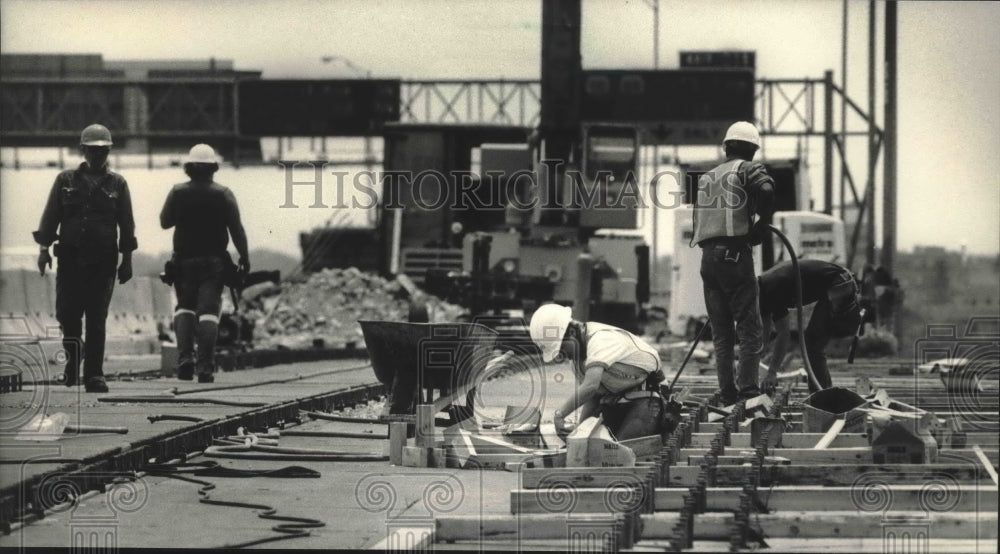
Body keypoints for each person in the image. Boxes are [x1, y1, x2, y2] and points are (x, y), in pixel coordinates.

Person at [33, 123, 137, 393]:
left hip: (103, 262)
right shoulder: (65, 181)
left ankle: (94, 375)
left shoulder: (118, 184)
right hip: (69, 258)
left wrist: (127, 260)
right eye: (92, 150)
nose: (97, 155)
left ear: (109, 151)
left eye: (102, 150)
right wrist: (43, 250)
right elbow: (50, 216)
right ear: (82, 150)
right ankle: (73, 360)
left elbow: (127, 225)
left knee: (96, 317)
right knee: (67, 314)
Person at [690, 121, 775, 405]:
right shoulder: (746, 168)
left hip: (708, 261)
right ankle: (749, 392)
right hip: (735, 256)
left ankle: (728, 394)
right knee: (750, 328)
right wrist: (762, 225)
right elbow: (765, 190)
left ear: (726, 146)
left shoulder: (708, 176)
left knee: (722, 333)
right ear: (752, 150)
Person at [160, 144, 249, 383]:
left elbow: (164, 222)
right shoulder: (224, 194)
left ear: (189, 168)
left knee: (185, 308)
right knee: (209, 312)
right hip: (214, 262)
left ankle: (185, 360)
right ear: (213, 168)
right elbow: (237, 230)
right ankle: (206, 368)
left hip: (184, 261)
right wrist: (244, 257)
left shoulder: (177, 192)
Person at [528, 303, 667, 440]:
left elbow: (590, 386)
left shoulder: (600, 339)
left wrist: (560, 414)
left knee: (620, 452)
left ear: (571, 332)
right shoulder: (577, 363)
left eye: (562, 349)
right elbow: (592, 395)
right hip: (618, 401)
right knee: (592, 446)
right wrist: (579, 432)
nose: (563, 356)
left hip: (647, 397)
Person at [758, 259, 863, 394]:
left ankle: (821, 395)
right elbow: (764, 333)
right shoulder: (764, 290)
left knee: (813, 342)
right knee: (813, 344)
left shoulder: (772, 289)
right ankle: (823, 392)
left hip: (839, 284)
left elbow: (784, 334)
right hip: (835, 284)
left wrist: (772, 373)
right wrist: (756, 359)